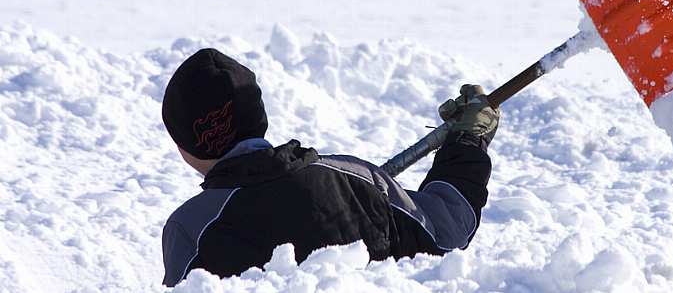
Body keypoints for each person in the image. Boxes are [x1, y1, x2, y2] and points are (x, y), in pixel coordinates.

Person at [160, 48, 500, 287]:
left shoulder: (190, 228)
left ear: (184, 145)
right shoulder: (358, 180)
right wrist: (468, 140)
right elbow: (449, 229)